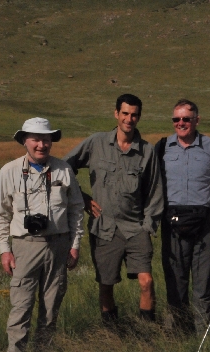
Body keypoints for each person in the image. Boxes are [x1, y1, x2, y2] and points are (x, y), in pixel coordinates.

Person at [0, 117, 84, 352]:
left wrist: (75, 245)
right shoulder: (8, 171)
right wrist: (4, 250)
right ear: (24, 141)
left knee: (51, 308)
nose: (41, 144)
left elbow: (76, 210)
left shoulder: (64, 170)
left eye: (46, 139)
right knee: (20, 308)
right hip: (24, 246)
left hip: (59, 245)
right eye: (35, 139)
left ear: (52, 140)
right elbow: (0, 215)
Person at [64, 94, 163, 324]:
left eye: (134, 115)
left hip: (136, 227)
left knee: (146, 281)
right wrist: (82, 197)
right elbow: (65, 166)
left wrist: (148, 226)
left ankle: (147, 333)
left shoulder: (147, 151)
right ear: (116, 113)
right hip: (104, 226)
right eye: (125, 113)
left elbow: (155, 192)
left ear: (139, 117)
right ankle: (112, 333)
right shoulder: (96, 142)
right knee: (106, 284)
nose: (129, 119)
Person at [157, 99, 210, 336]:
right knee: (176, 279)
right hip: (172, 222)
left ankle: (203, 332)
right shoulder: (162, 147)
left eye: (186, 118)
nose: (181, 123)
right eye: (176, 119)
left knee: (203, 281)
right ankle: (178, 333)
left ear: (197, 120)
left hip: (205, 222)